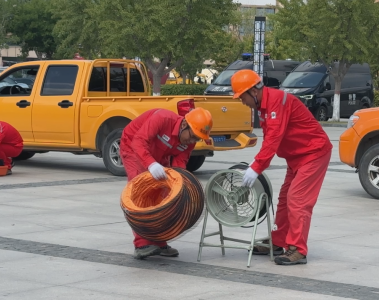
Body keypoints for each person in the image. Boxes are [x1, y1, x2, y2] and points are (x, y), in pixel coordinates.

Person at [231, 69, 333, 266]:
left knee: (298, 200)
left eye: (242, 97)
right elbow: (270, 139)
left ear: (253, 91)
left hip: (313, 153)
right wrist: (256, 164)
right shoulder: (265, 107)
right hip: (296, 157)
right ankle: (278, 242)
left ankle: (298, 250)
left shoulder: (277, 101)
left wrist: (256, 167)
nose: (242, 102)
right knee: (285, 200)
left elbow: (274, 138)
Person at [120, 107, 213, 260]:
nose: (192, 142)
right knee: (140, 194)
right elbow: (139, 141)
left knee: (164, 195)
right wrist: (150, 164)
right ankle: (142, 243)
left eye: (197, 139)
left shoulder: (189, 140)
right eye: (192, 137)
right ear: (184, 124)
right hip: (133, 147)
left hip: (159, 155)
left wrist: (179, 184)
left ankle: (159, 241)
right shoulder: (162, 118)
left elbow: (180, 163)